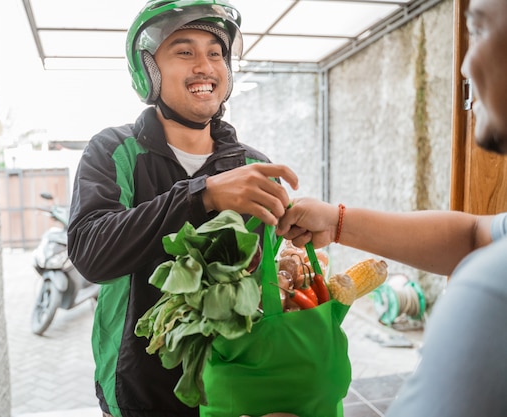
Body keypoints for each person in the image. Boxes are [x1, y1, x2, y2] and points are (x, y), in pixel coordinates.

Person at [67, 1, 298, 416]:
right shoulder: (114, 151)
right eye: (184, 51)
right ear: (148, 69)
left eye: (216, 52)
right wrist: (200, 195)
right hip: (139, 389)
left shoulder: (252, 167)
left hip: (234, 386)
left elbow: (260, 281)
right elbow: (91, 253)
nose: (206, 65)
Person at [277, 0, 507, 414]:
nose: (466, 66)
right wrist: (337, 221)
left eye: (482, 31)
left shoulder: (492, 293)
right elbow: (475, 236)